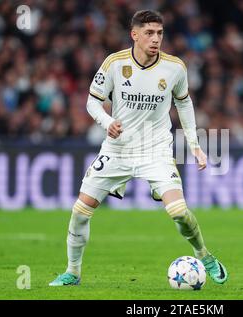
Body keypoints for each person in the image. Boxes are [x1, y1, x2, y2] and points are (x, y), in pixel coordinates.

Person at [49, 10, 228, 286]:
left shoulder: (175, 67)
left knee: (179, 212)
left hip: (155, 150)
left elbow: (184, 103)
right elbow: (92, 102)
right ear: (134, 35)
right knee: (80, 211)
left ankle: (204, 255)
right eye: (149, 33)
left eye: (159, 33)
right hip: (117, 150)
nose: (155, 39)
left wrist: (195, 145)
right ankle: (73, 272)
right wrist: (107, 121)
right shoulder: (114, 64)